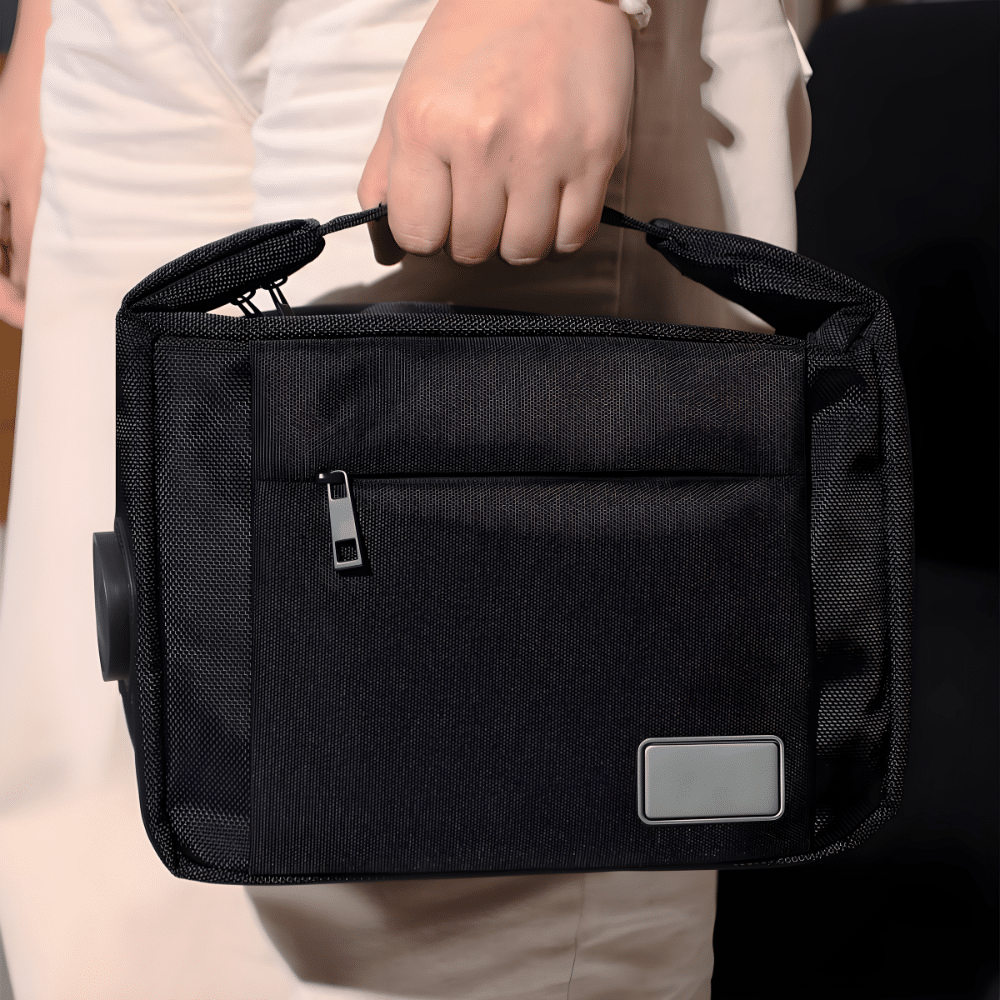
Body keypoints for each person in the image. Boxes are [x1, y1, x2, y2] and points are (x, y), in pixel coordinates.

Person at [0, 0, 811, 995]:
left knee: (426, 907)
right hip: (136, 39)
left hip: (442, 23)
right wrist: (47, 26)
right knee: (106, 854)